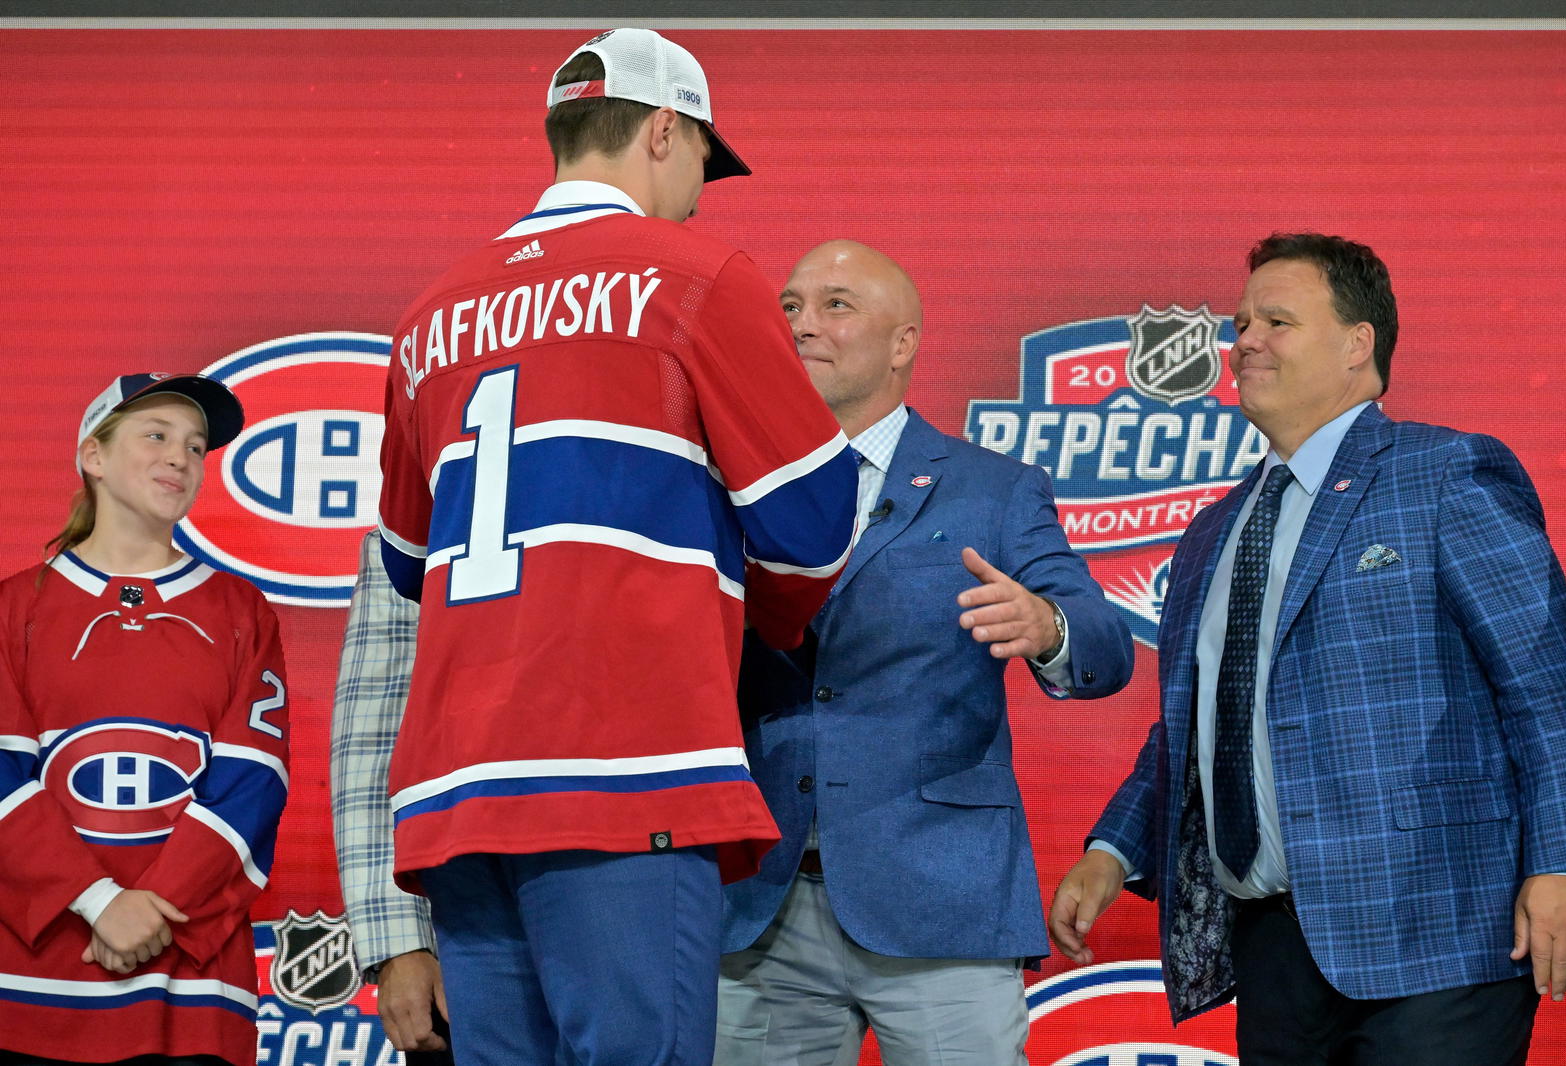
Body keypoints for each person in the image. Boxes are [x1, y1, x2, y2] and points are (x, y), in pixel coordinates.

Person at [375, 27, 858, 1066]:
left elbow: (408, 562)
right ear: (661, 131)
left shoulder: (428, 315)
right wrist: (749, 608)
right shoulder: (695, 272)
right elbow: (814, 521)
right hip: (621, 760)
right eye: (697, 163)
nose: (695, 190)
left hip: (458, 787)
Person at [1050, 233, 1566, 1066]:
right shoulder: (1211, 533)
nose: (1246, 341)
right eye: (1242, 323)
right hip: (1272, 944)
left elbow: (1545, 685)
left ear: (1357, 344)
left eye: (1278, 320)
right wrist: (1111, 849)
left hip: (1438, 929)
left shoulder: (1446, 472)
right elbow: (1196, 726)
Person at [716, 240, 1135, 1066]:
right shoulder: (718, 483)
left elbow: (1106, 643)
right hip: (758, 904)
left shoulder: (994, 488)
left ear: (903, 343)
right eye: (790, 306)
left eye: (836, 305)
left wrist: (1045, 625)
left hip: (941, 901)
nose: (803, 324)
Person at [0, 373, 288, 1066]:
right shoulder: (14, 610)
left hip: (188, 982)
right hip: (30, 980)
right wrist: (97, 900)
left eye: (194, 448)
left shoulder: (240, 612)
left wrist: (153, 905)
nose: (180, 460)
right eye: (155, 436)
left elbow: (254, 780)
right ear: (92, 458)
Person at [330, 529, 450, 1062]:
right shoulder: (416, 528)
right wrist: (401, 943)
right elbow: (375, 740)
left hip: (681, 909)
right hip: (469, 935)